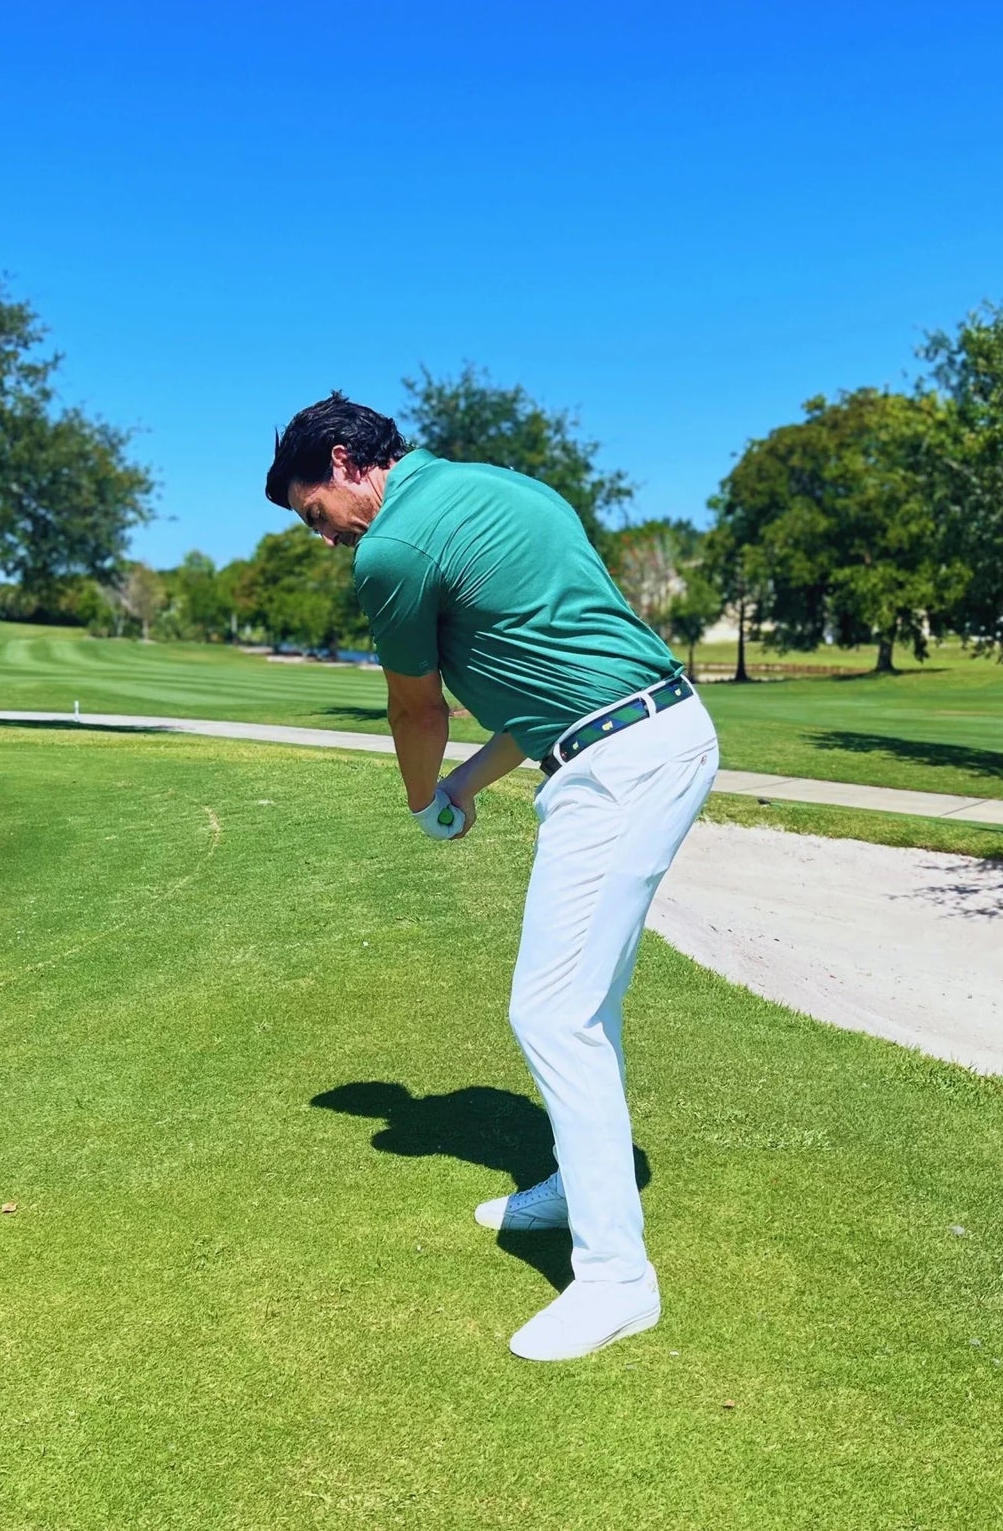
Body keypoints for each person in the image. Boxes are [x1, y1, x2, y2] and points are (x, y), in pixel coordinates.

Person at [264, 393, 720, 1361]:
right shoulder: (503, 490)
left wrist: (422, 800)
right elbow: (544, 684)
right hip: (648, 732)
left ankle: (616, 1279)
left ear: (343, 462)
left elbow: (414, 711)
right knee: (584, 1007)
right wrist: (468, 786)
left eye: (314, 516)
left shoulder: (392, 550)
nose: (327, 540)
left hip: (619, 763)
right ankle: (576, 1182)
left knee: (550, 1014)